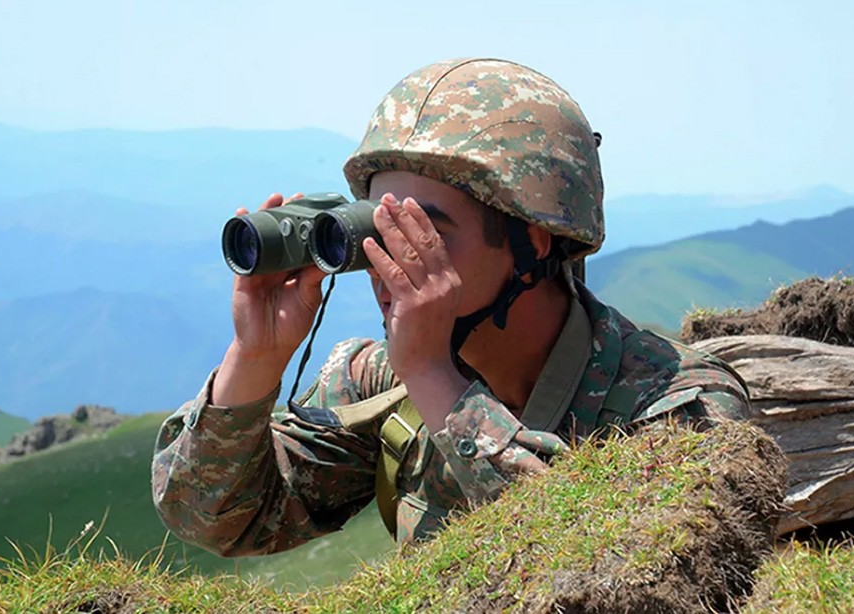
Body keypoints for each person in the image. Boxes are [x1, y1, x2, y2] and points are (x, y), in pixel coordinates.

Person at [150, 57, 755, 556]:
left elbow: (600, 566)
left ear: (532, 243)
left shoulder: (679, 404)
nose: (390, 263)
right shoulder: (378, 381)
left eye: (425, 234)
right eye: (378, 231)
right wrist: (255, 358)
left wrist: (434, 377)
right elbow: (217, 519)